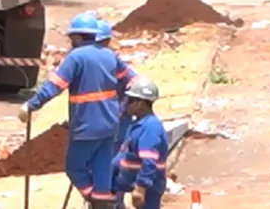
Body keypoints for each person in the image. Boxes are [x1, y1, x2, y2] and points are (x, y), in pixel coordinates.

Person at [19, 12, 132, 209]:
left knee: (75, 168)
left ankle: (97, 203)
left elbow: (54, 86)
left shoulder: (76, 58)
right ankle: (104, 201)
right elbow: (130, 80)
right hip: (110, 124)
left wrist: (31, 105)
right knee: (101, 170)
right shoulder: (109, 55)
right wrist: (122, 106)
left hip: (86, 125)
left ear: (78, 37)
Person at [112, 78, 168, 209]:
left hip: (149, 187)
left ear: (141, 103)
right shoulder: (137, 125)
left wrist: (140, 188)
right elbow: (124, 154)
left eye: (130, 101)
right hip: (131, 181)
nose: (126, 104)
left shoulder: (150, 127)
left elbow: (149, 161)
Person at [95, 20, 138, 153]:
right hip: (100, 118)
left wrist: (123, 107)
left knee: (118, 151)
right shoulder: (88, 62)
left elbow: (134, 82)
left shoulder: (112, 60)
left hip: (119, 118)